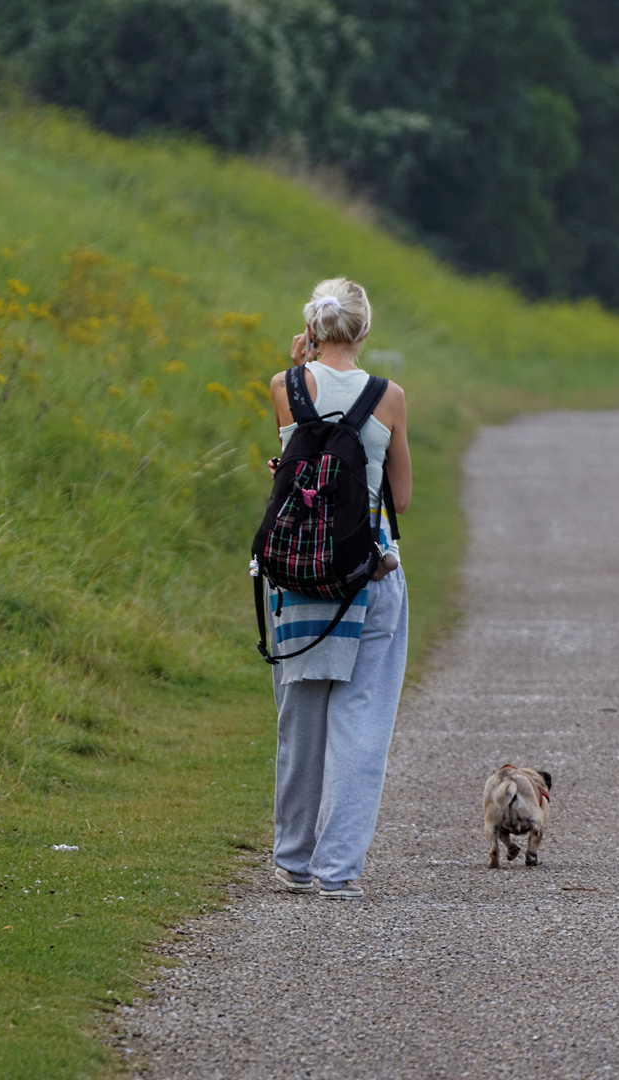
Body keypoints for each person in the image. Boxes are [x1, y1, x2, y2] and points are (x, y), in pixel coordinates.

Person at [264, 277, 411, 901]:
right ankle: (337, 871)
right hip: (368, 574)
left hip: (297, 576)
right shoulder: (389, 397)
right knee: (361, 721)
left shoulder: (284, 387)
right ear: (365, 330)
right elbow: (399, 497)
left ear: (312, 329)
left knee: (300, 718)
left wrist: (299, 364)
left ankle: (293, 860)